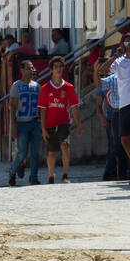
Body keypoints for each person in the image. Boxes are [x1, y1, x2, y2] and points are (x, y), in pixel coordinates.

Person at [97, 32, 130, 185]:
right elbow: (102, 71)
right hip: (124, 104)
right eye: (125, 43)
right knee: (125, 140)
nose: (128, 46)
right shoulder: (118, 61)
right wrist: (114, 56)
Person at [38, 55, 82, 183]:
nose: (58, 69)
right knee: (52, 152)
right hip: (50, 124)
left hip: (64, 122)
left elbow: (74, 107)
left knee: (64, 146)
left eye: (60, 66)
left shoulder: (69, 87)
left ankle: (65, 175)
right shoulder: (45, 88)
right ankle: (51, 176)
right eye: (55, 67)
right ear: (51, 69)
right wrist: (43, 129)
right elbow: (43, 109)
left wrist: (79, 125)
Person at [6, 60, 42, 186]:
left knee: (36, 152)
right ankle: (12, 171)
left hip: (35, 122)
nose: (31, 70)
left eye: (32, 67)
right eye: (28, 68)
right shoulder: (17, 85)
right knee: (22, 152)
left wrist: (42, 125)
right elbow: (12, 106)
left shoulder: (37, 86)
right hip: (22, 123)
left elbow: (41, 108)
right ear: (21, 70)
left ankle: (34, 177)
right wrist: (13, 125)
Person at [98, 49, 130, 181]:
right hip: (115, 113)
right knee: (116, 146)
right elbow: (99, 84)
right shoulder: (111, 78)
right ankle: (119, 173)